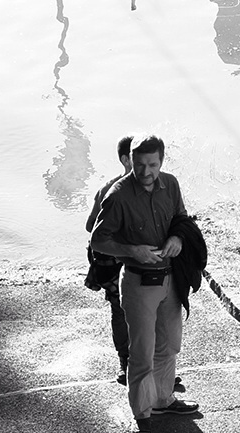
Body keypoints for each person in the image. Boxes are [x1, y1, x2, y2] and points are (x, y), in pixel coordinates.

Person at [90, 134, 199, 433]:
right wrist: (131, 250)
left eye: (152, 164)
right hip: (138, 281)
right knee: (142, 351)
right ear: (130, 161)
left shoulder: (172, 184)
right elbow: (97, 239)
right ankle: (143, 414)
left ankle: (164, 400)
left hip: (170, 279)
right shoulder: (117, 194)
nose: (146, 172)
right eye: (140, 165)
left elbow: (181, 218)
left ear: (161, 161)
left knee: (168, 345)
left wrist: (177, 238)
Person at [86, 136, 133, 384]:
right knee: (121, 311)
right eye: (139, 158)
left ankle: (148, 364)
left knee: (144, 312)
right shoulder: (109, 190)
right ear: (125, 160)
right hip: (114, 264)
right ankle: (125, 363)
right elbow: (91, 228)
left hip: (136, 261)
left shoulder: (157, 187)